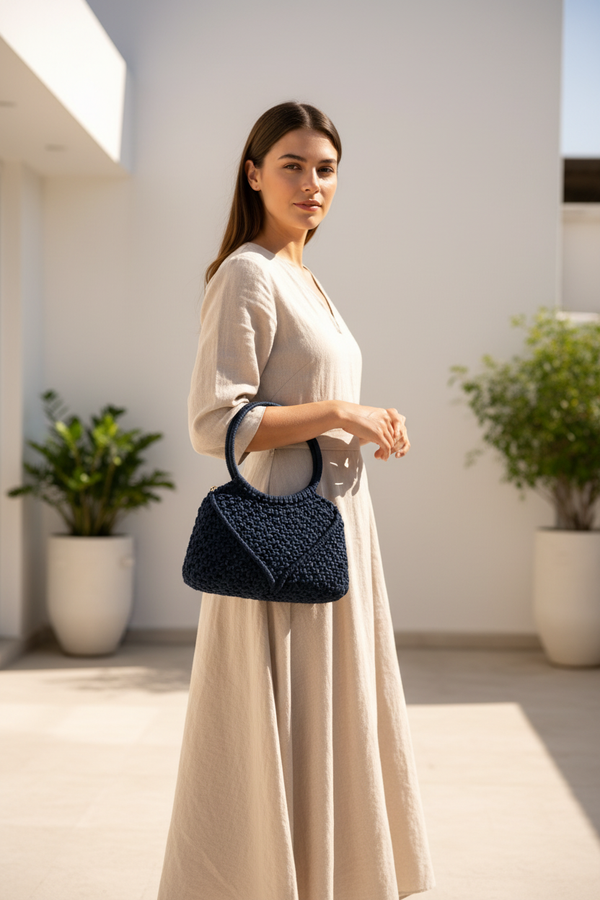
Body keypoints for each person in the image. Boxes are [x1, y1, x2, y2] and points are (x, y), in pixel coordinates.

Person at [157, 101, 435, 900]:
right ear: (252, 174)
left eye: (325, 169)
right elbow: (217, 422)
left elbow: (307, 394)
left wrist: (369, 418)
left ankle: (321, 878)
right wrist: (342, 412)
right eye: (292, 165)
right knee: (277, 720)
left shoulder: (304, 276)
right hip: (282, 538)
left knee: (330, 714)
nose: (312, 183)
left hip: (339, 531)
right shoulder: (247, 271)